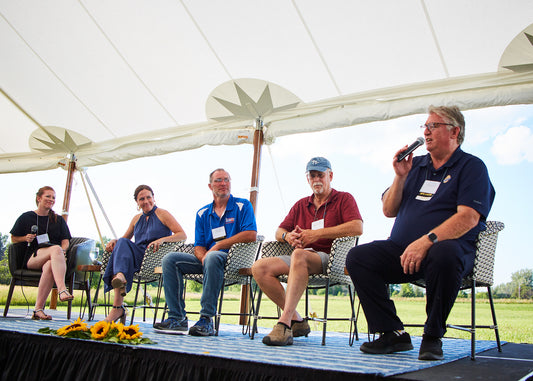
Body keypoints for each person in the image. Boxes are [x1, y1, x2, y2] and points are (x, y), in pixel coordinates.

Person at [346, 105, 495, 361]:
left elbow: (469, 217)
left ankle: (432, 336)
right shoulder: (415, 165)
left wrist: (426, 241)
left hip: (451, 250)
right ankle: (392, 333)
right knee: (359, 257)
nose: (425, 131)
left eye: (433, 126)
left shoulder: (472, 167)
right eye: (424, 127)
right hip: (402, 251)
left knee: (444, 252)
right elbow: (388, 210)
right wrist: (400, 176)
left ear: (454, 131)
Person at [252, 157, 363, 346]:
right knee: (259, 267)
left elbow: (357, 227)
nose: (316, 179)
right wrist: (287, 236)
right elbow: (279, 231)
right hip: (300, 258)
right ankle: (297, 320)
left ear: (331, 175)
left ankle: (284, 323)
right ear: (307, 179)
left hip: (331, 259)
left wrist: (316, 234)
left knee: (299, 255)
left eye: (321, 174)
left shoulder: (344, 198)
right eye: (312, 175)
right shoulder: (301, 204)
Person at [154, 168, 257, 336]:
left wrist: (217, 246)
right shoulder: (202, 213)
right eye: (218, 180)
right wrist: (203, 257)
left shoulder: (242, 205)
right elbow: (199, 245)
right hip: (209, 259)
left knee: (214, 256)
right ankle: (177, 318)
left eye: (226, 179)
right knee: (170, 259)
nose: (223, 183)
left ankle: (207, 319)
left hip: (234, 259)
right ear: (210, 186)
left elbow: (251, 234)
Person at [103, 185, 186, 323]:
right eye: (142, 199)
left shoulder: (163, 214)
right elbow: (124, 240)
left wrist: (163, 239)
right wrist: (114, 241)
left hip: (154, 257)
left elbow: (182, 235)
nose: (146, 201)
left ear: (154, 198)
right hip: (137, 257)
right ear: (137, 202)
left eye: (148, 197)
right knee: (121, 242)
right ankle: (120, 277)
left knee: (121, 255)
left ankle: (118, 306)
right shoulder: (136, 219)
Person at [10, 186, 73, 320]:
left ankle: (38, 309)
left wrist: (62, 252)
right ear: (39, 198)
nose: (51, 199)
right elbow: (13, 238)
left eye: (53, 197)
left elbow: (65, 241)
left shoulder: (58, 219)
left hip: (53, 258)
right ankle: (62, 289)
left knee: (51, 263)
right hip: (33, 257)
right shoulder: (26, 217)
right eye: (48, 196)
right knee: (56, 249)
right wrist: (24, 238)